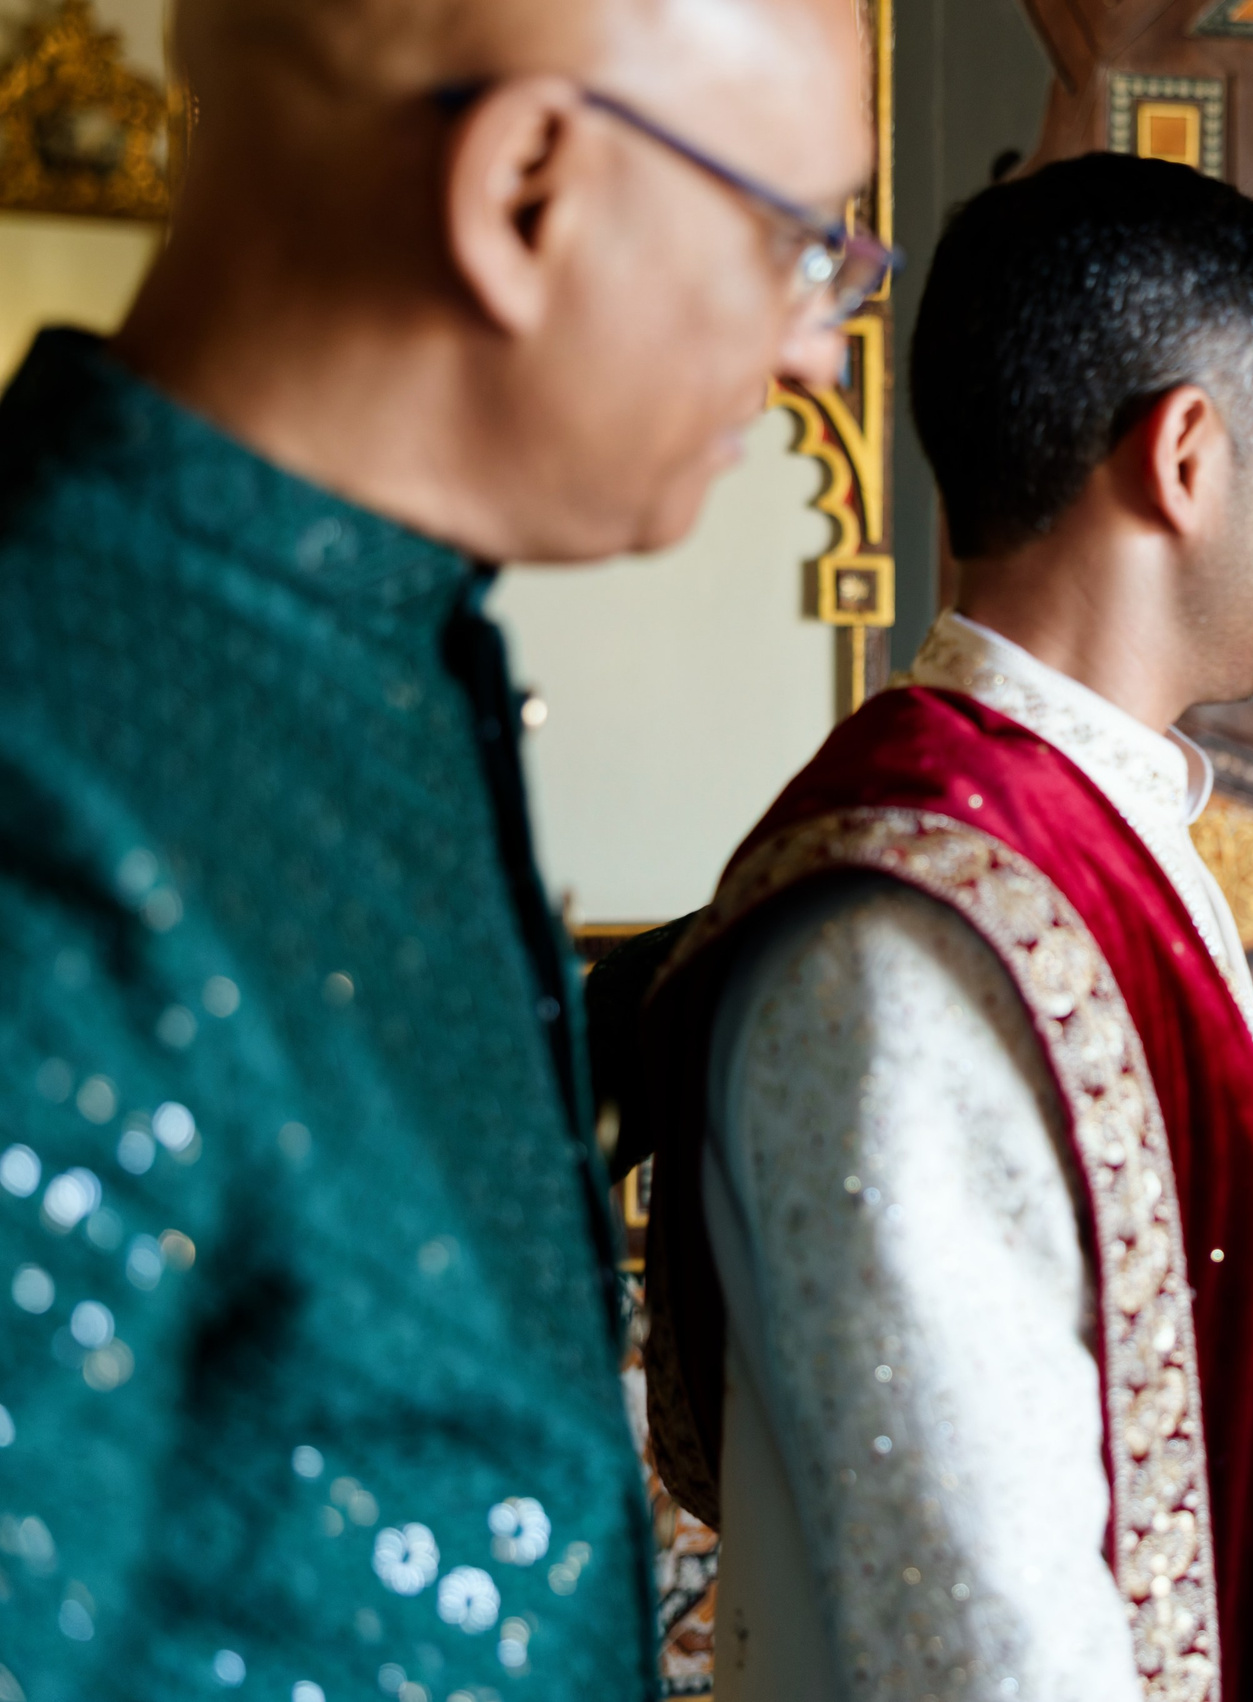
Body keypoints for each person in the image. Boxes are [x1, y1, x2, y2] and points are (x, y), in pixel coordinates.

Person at [0, 0, 876, 1696]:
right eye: (797, 245)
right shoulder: (57, 796)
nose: (818, 351)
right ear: (526, 188)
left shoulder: (372, 656)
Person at [627, 152, 1253, 1702]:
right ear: (1187, 454)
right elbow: (975, 1614)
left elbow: (1147, 1344)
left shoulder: (1090, 830)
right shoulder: (933, 917)